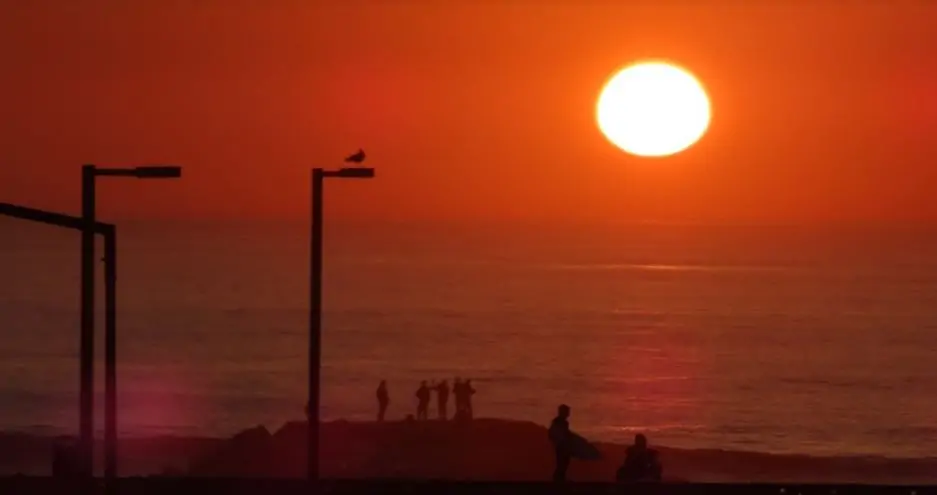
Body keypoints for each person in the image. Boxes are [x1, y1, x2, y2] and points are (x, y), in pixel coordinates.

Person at [548, 404, 572, 482]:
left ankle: (561, 479)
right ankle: (558, 479)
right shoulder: (558, 422)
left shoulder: (564, 422)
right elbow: (552, 433)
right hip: (561, 446)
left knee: (564, 462)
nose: (569, 413)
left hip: (564, 446)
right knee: (561, 463)